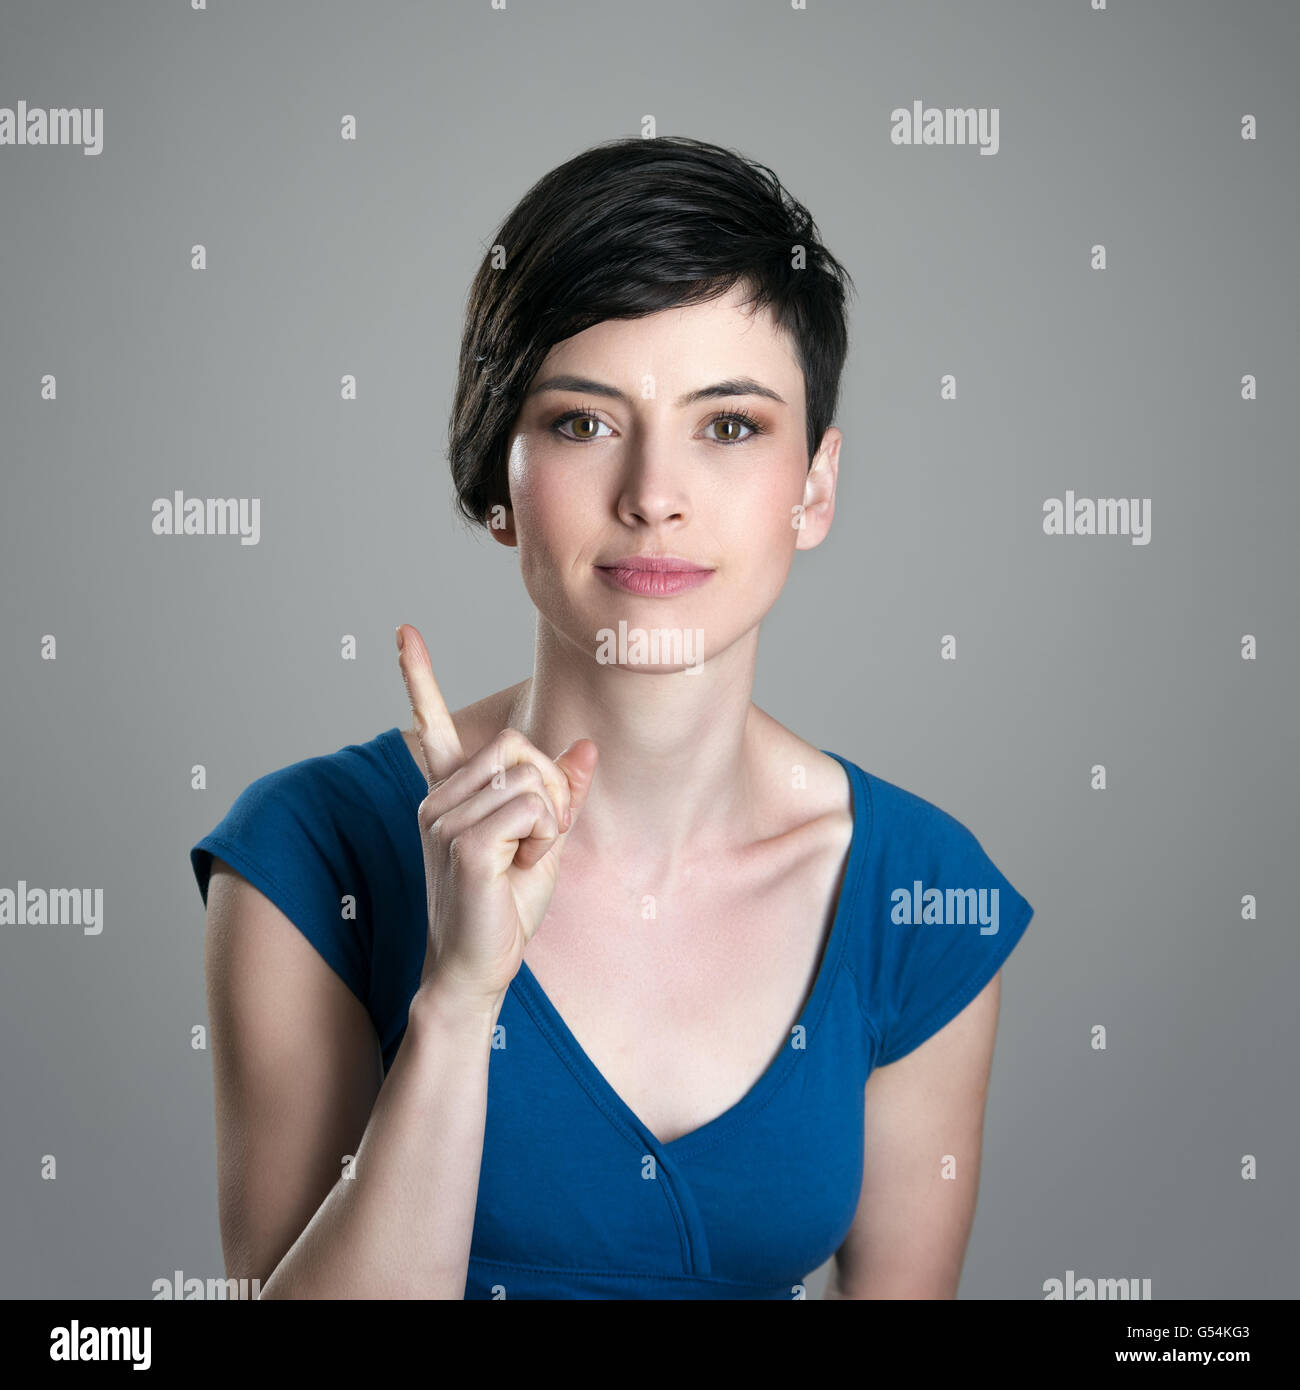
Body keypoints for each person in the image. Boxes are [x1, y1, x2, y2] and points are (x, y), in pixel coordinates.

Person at [191, 135, 1034, 1300]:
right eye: (583, 422)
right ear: (498, 482)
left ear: (817, 488)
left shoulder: (920, 892)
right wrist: (458, 1001)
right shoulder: (309, 850)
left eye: (729, 424)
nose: (652, 495)